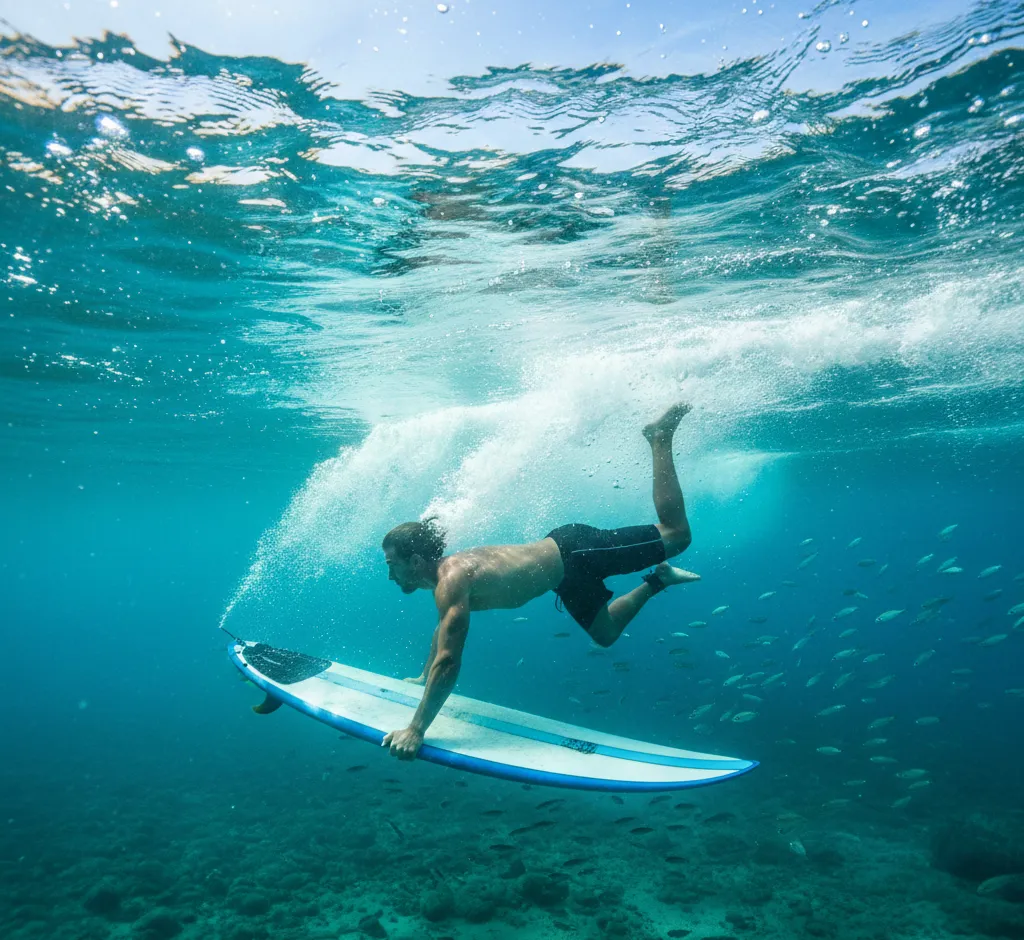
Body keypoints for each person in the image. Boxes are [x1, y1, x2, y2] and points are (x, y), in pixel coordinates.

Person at [380, 403, 700, 761]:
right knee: (606, 634)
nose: (390, 575)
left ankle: (659, 438)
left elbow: (449, 660)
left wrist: (416, 729)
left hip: (576, 551)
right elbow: (443, 631)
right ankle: (660, 579)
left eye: (392, 565)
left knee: (678, 535)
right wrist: (423, 677)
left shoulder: (451, 579)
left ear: (417, 561)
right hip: (564, 579)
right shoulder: (441, 583)